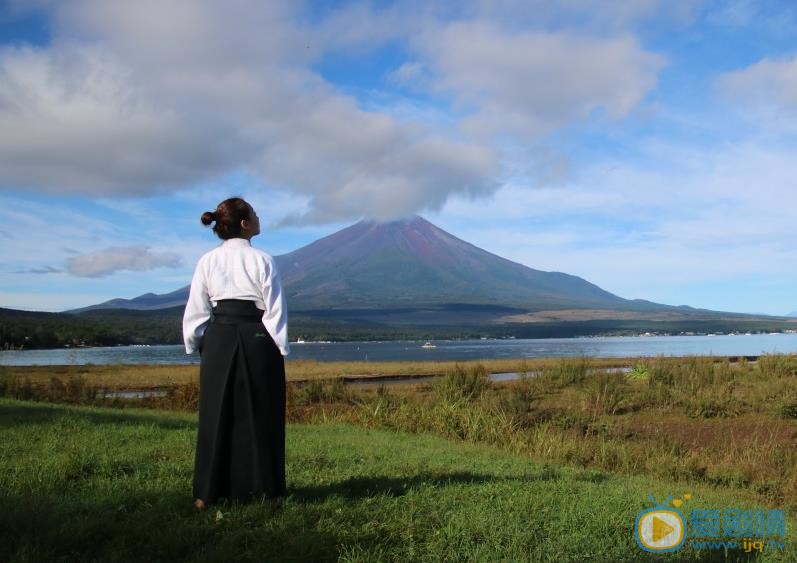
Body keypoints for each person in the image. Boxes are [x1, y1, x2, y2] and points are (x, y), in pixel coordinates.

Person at [182, 197, 290, 510]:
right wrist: (278, 346)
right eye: (255, 214)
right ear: (244, 224)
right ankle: (265, 489)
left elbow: (196, 309)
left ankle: (207, 493)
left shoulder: (206, 261)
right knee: (262, 413)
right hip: (257, 337)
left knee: (214, 413)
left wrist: (196, 343)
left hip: (217, 337)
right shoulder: (264, 260)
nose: (259, 218)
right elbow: (275, 310)